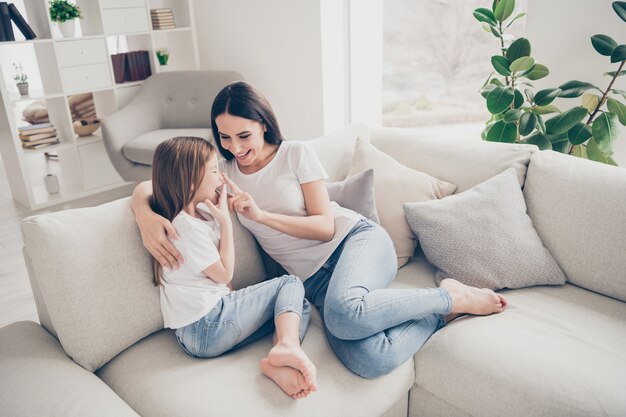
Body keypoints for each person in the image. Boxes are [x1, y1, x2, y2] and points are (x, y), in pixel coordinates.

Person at [132, 82, 508, 379]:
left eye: (243, 136)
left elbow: (325, 226)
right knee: (369, 360)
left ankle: (449, 297)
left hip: (354, 243)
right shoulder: (224, 171)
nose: (235, 147)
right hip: (313, 280)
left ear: (263, 123)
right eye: (225, 137)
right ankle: (437, 316)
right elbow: (162, 182)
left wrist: (262, 217)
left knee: (345, 315)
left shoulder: (295, 154)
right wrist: (142, 211)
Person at [148, 136, 316, 399]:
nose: (220, 176)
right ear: (191, 182)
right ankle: (285, 347)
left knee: (295, 307)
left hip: (197, 337)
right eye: (214, 171)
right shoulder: (185, 227)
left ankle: (278, 360)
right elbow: (225, 274)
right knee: (291, 283)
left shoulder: (200, 214)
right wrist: (226, 222)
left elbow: (222, 283)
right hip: (206, 324)